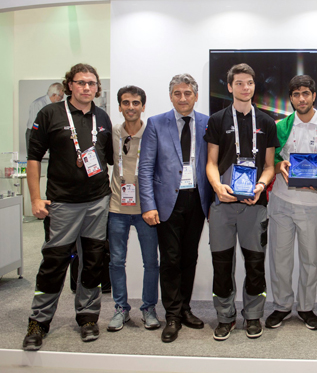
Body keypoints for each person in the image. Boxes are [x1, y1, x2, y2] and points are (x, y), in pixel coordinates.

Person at [23, 63, 113, 350]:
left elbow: (109, 158)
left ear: (97, 87)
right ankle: (39, 321)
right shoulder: (49, 114)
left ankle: (87, 317)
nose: (87, 87)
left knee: (93, 261)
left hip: (97, 202)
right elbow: (34, 158)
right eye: (80, 82)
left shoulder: (103, 117)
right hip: (62, 203)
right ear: (69, 85)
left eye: (91, 83)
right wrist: (35, 198)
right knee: (54, 262)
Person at [205, 63, 279, 341]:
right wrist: (217, 186)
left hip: (254, 205)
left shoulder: (267, 122)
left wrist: (260, 186)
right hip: (223, 205)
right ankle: (224, 317)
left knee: (255, 265)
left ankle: (253, 316)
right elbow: (211, 163)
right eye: (239, 83)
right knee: (222, 265)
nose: (244, 87)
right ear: (230, 87)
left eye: (249, 82)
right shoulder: (217, 120)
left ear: (254, 86)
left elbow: (270, 165)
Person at [138, 74, 212, 343]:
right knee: (170, 259)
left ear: (196, 95)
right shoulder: (156, 123)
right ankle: (171, 315)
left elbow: (214, 163)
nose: (183, 98)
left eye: (188, 93)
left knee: (189, 257)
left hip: (197, 199)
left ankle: (185, 308)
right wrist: (147, 204)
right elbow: (145, 167)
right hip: (166, 202)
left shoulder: (207, 122)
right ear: (171, 96)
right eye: (178, 93)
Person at [265, 75, 317, 331]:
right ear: (291, 98)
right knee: (280, 258)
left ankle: (306, 307)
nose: (301, 99)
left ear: (314, 96)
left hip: (313, 204)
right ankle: (282, 306)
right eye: (296, 95)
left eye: (306, 93)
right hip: (281, 201)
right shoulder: (279, 127)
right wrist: (279, 165)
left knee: (310, 259)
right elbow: (269, 163)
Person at [106, 86, 160, 333]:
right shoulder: (111, 133)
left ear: (143, 106)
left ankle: (148, 308)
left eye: (136, 103)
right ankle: (121, 309)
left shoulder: (152, 133)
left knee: (151, 262)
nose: (130, 107)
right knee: (117, 261)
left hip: (146, 210)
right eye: (125, 103)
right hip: (117, 208)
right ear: (119, 106)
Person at [26, 83, 64, 156]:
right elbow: (35, 125)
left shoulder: (56, 106)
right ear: (54, 95)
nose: (62, 99)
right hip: (35, 133)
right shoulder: (38, 104)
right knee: (34, 158)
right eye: (61, 96)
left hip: (49, 133)